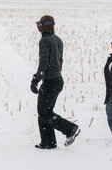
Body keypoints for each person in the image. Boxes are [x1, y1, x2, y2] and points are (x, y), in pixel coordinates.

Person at [30, 15, 80, 149]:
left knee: (44, 112)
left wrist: (36, 79)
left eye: (40, 25)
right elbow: (60, 61)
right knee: (45, 112)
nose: (38, 27)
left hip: (50, 81)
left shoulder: (45, 41)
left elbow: (43, 62)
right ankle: (48, 142)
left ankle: (70, 129)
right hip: (57, 80)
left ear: (44, 26)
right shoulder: (58, 39)